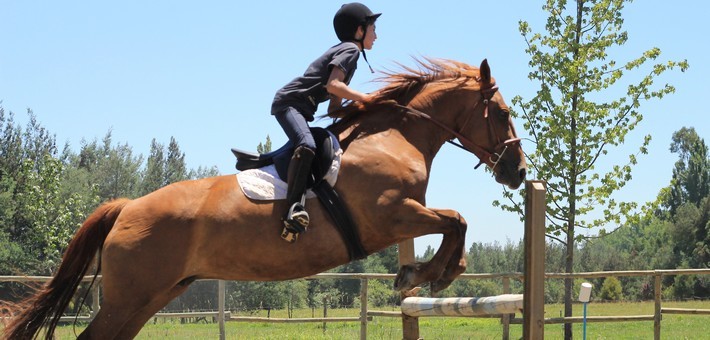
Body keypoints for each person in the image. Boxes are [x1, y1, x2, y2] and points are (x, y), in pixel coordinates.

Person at [270, 3, 381, 242]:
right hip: (288, 104)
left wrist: (363, 113)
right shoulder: (350, 49)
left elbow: (333, 108)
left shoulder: (348, 53)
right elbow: (333, 86)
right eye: (373, 28)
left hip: (298, 108)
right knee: (307, 145)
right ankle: (293, 208)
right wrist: (368, 99)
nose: (376, 35)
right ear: (360, 31)